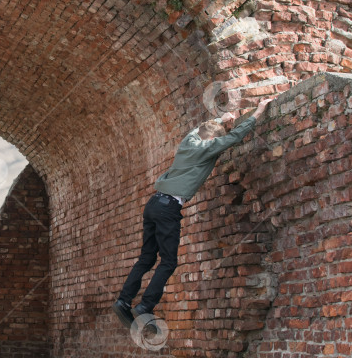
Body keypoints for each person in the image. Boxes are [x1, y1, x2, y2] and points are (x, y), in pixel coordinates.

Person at [112, 97, 275, 329]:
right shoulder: (206, 147)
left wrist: (220, 118)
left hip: (153, 203)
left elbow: (198, 130)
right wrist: (258, 111)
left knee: (147, 258)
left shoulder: (188, 141)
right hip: (169, 206)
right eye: (216, 140)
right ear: (212, 139)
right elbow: (235, 137)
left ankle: (123, 301)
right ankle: (145, 307)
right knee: (168, 262)